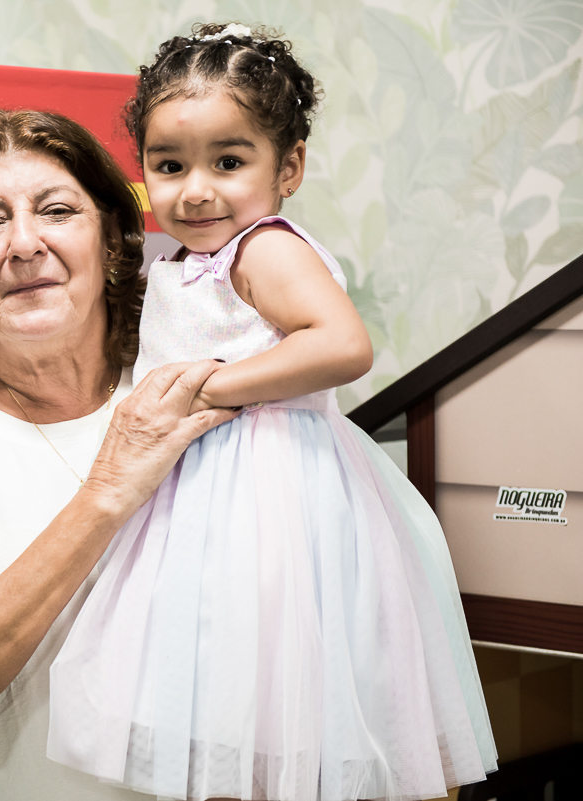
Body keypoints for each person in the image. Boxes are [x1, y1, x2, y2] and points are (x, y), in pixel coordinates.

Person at [47, 23, 498, 801]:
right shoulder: (185, 262)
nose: (195, 188)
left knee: (275, 688)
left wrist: (213, 384)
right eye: (169, 164)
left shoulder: (264, 250)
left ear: (286, 166)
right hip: (202, 498)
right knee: (226, 699)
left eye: (229, 161)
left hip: (271, 495)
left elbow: (342, 344)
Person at [0, 108, 240, 801]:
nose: (24, 243)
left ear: (116, 247)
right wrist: (105, 493)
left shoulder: (195, 391)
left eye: (56, 210)